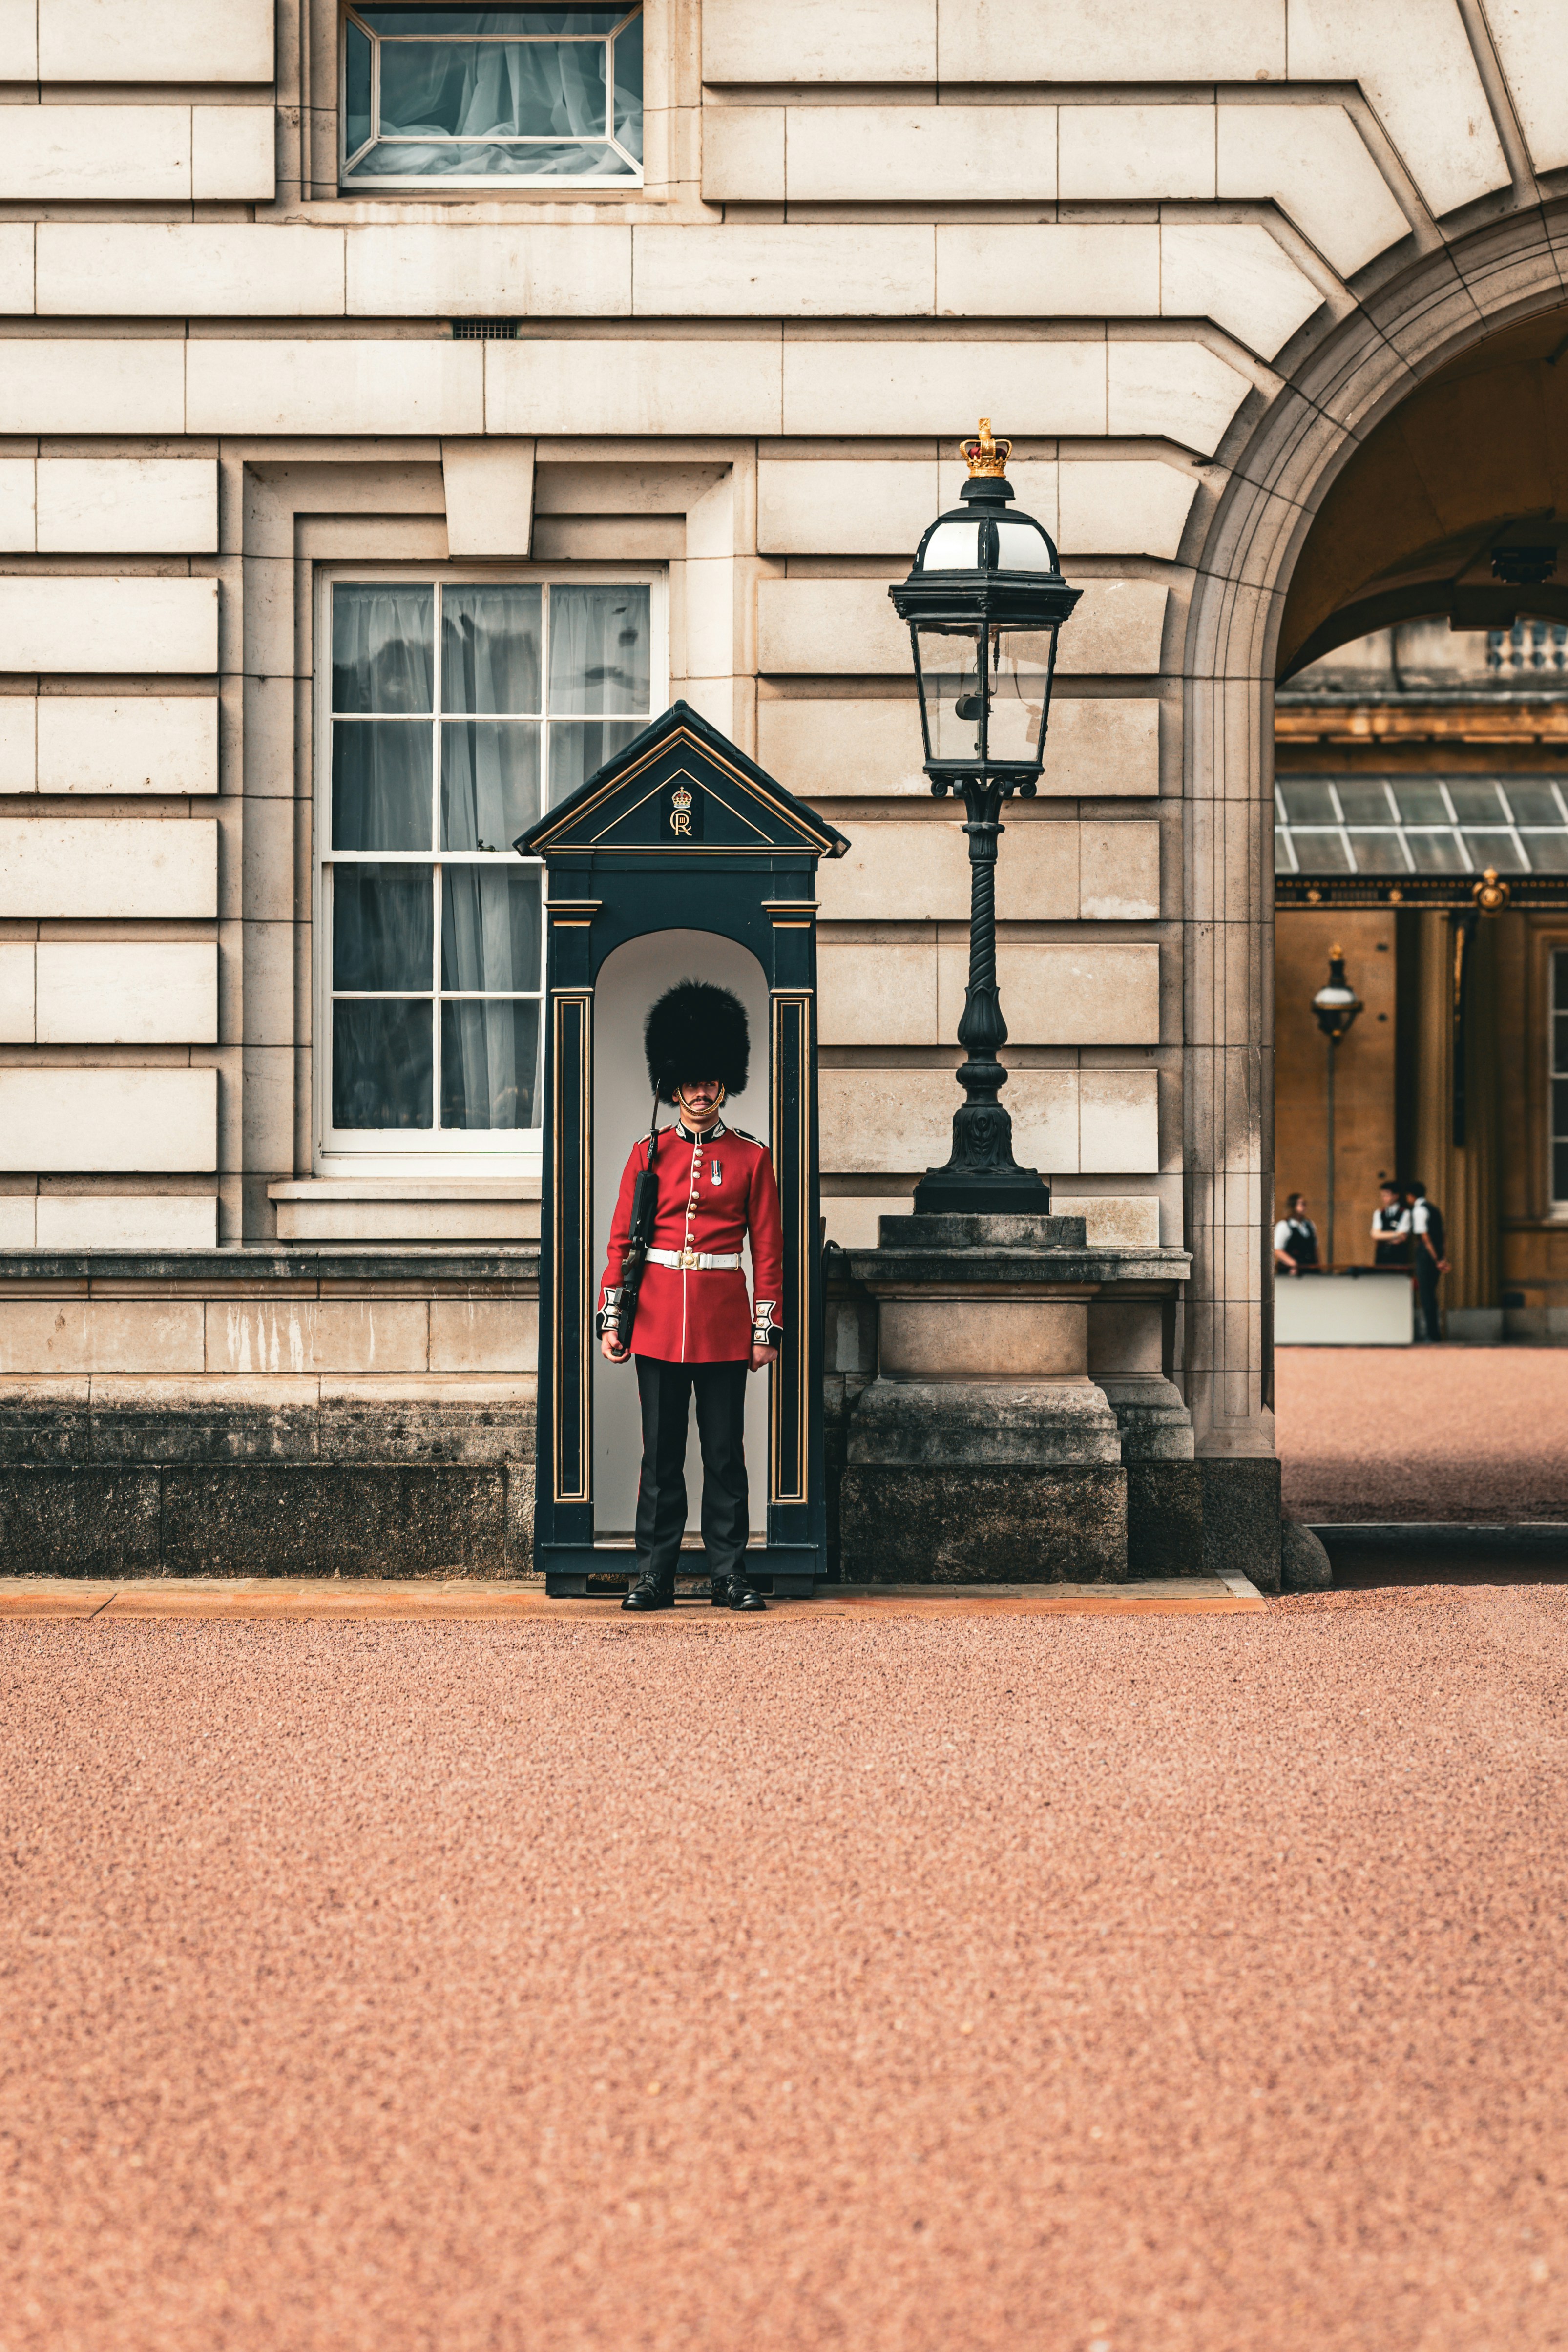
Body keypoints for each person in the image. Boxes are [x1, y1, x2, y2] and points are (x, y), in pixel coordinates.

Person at [597, 980, 783, 1614]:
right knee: (661, 1460)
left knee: (725, 1456)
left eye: (711, 1081)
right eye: (691, 1081)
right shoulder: (647, 1155)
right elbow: (623, 1241)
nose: (701, 1092)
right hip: (655, 1322)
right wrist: (612, 1316)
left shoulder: (750, 1158)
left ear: (724, 1083)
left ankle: (730, 1574)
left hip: (723, 1324)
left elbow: (767, 1251)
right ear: (672, 1085)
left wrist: (765, 1329)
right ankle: (654, 1574)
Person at [1408, 1180, 1449, 1342]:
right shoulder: (1435, 1209)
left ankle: (1431, 1334)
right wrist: (1443, 1256)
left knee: (1426, 1295)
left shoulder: (1419, 1211)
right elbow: (1443, 1235)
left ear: (1411, 1196)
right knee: (1431, 1294)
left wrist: (1435, 1258)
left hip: (1427, 1255)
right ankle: (1434, 1332)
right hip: (1437, 1252)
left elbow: (1425, 1237)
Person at [1273, 1193, 1319, 1276]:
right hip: (1291, 1272)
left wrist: (1317, 1265)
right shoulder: (1284, 1225)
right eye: (1301, 1204)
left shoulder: (1309, 1224)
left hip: (1309, 1269)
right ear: (1293, 1206)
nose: (1304, 1207)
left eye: (1305, 1204)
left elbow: (1315, 1248)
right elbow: (1277, 1249)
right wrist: (1293, 1263)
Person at [1371, 1179, 1413, 1266]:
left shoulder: (1405, 1213)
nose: (1384, 1198)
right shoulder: (1379, 1213)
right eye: (1383, 1196)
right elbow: (1375, 1235)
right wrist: (1396, 1235)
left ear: (1396, 1196)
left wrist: (1383, 1235)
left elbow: (1403, 1236)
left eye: (1387, 1195)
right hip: (1381, 1255)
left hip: (1399, 1255)